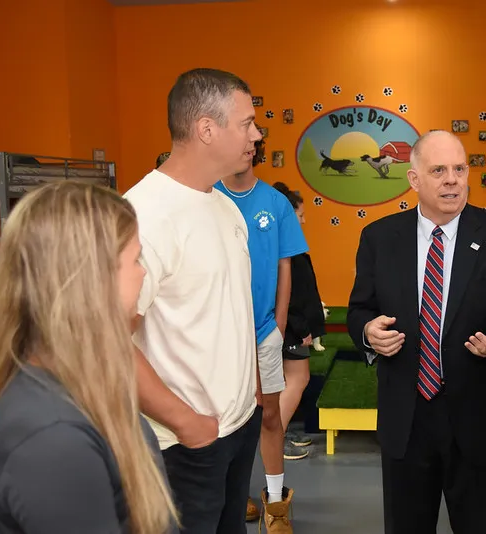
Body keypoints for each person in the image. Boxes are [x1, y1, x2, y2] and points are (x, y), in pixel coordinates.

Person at [347, 130, 486, 533]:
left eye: (459, 169)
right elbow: (359, 310)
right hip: (407, 419)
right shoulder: (379, 238)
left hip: (478, 421)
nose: (452, 179)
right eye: (438, 170)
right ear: (414, 179)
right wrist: (368, 332)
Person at [0, 181, 177, 534]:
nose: (143, 271)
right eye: (135, 258)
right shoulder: (53, 440)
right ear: (91, 278)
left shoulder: (83, 384)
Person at [124, 68, 263, 534]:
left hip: (238, 428)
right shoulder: (144, 215)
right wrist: (185, 423)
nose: (257, 135)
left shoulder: (223, 205)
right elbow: (104, 341)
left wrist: (250, 395)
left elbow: (227, 314)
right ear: (207, 128)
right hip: (184, 445)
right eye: (246, 123)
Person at [215, 145, 308, 532]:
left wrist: (279, 324)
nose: (245, 149)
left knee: (270, 416)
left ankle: (275, 507)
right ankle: (228, 503)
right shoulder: (209, 197)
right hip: (218, 333)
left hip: (264, 330)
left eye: (251, 144)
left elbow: (285, 266)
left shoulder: (276, 203)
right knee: (222, 421)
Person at [273, 182, 326, 457]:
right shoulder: (285, 253)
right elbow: (290, 297)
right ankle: (273, 439)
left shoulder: (288, 249)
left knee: (286, 381)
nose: (303, 220)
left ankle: (277, 431)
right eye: (300, 215)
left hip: (291, 328)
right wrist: (302, 328)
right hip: (291, 330)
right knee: (298, 379)